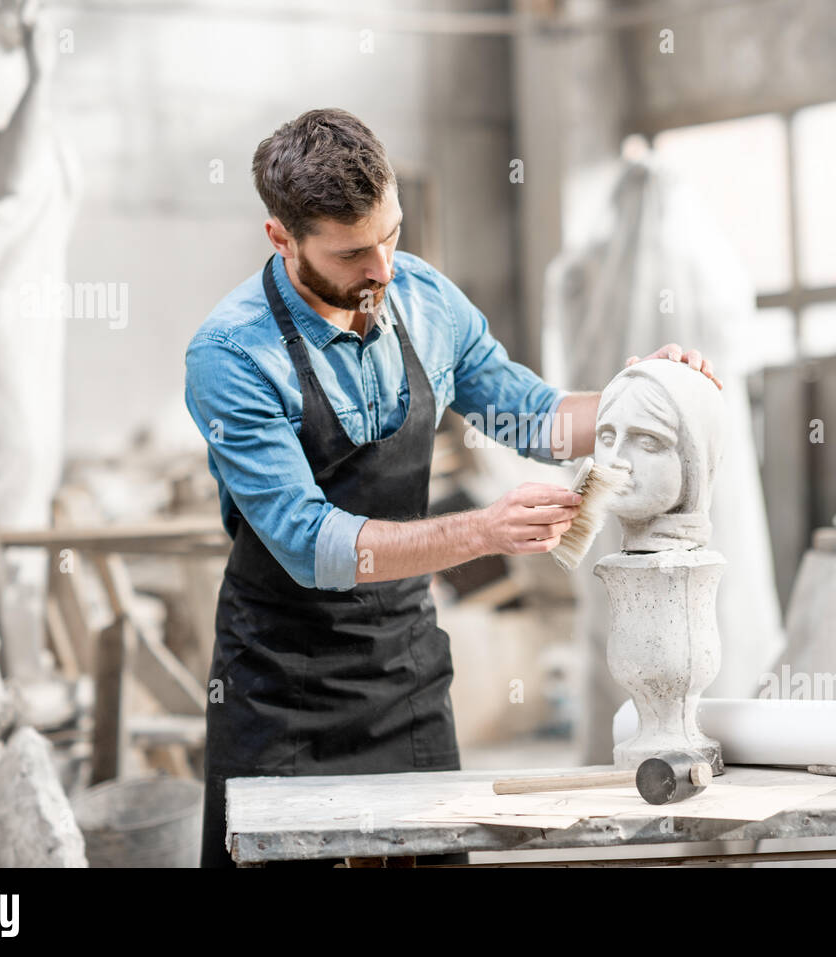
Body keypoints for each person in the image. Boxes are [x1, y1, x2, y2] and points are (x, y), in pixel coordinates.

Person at [184, 107, 720, 867]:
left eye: (393, 234)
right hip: (280, 689)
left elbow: (533, 418)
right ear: (281, 237)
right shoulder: (231, 354)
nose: (383, 269)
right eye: (353, 253)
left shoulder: (426, 301)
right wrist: (481, 531)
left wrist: (649, 392)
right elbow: (311, 545)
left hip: (405, 673)